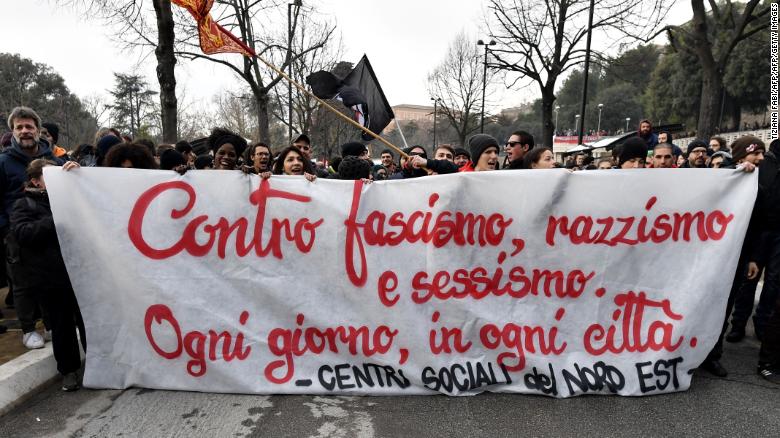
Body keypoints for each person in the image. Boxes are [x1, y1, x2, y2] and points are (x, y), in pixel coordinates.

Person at [8, 158, 86, 391]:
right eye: (49, 176)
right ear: (36, 181)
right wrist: (56, 220)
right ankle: (69, 371)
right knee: (61, 326)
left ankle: (100, 363)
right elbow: (23, 233)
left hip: (80, 272)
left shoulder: (68, 196)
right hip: (50, 277)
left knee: (88, 321)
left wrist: (80, 175)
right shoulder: (24, 205)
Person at [0, 107, 65, 349]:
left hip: (50, 231)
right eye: (20, 127)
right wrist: (6, 229)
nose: (25, 131)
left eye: (29, 126)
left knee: (51, 279)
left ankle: (50, 323)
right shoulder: (3, 163)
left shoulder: (56, 160)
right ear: (13, 132)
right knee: (22, 282)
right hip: (17, 234)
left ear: (38, 130)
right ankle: (28, 329)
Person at [701, 135, 765, 377]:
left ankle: (712, 354)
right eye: (755, 153)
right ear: (741, 156)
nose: (760, 157)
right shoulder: (728, 174)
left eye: (761, 153)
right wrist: (733, 170)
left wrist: (754, 258)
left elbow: (759, 224)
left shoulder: (758, 183)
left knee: (723, 306)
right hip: (709, 255)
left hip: (738, 256)